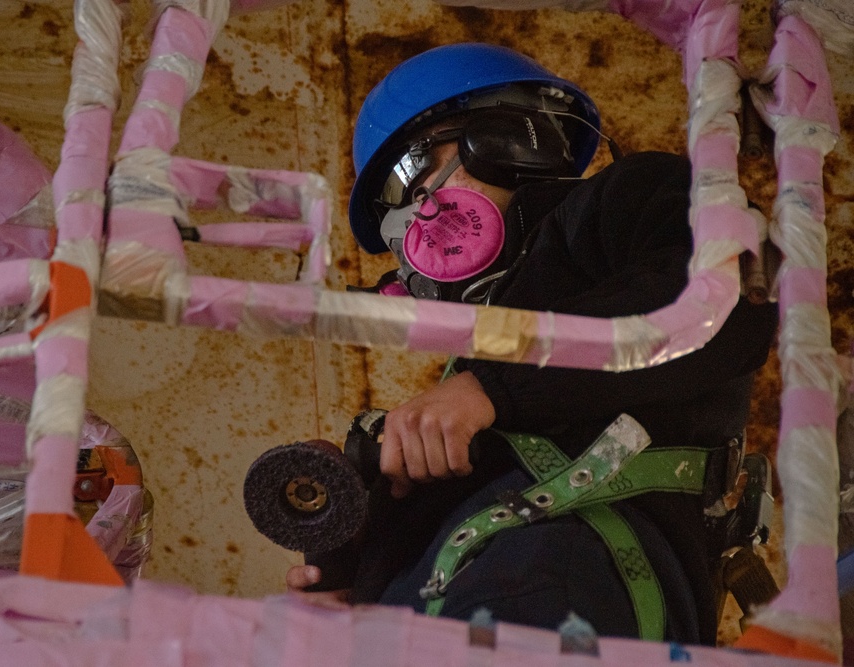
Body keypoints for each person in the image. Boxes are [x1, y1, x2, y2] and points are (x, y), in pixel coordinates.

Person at [286, 42, 777, 646]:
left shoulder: (627, 201)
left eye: (412, 177)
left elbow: (722, 303)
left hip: (570, 566)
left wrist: (490, 390)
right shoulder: (477, 359)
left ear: (511, 137)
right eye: (395, 209)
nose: (412, 222)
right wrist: (357, 573)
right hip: (485, 594)